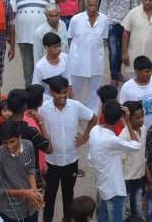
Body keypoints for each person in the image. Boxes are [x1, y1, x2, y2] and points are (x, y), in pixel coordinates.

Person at [38, 75, 97, 222]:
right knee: (49, 198)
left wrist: (85, 137)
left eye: (65, 92)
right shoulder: (43, 109)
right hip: (51, 163)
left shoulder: (75, 106)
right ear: (51, 92)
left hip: (71, 161)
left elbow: (93, 117)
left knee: (68, 197)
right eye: (59, 93)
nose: (63, 96)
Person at [88, 100, 141, 222]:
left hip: (102, 186)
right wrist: (128, 122)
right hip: (115, 191)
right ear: (119, 119)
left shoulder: (94, 131)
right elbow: (136, 145)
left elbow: (90, 159)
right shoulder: (111, 140)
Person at [0, 120, 43, 222]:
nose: (9, 146)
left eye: (12, 141)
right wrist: (24, 193)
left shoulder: (29, 146)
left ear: (20, 137)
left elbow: (30, 169)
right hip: (10, 212)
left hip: (31, 209)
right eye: (5, 143)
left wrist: (34, 192)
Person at [11, 0, 54, 86]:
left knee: (44, 63)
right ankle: (29, 89)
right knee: (28, 65)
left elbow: (53, 13)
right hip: (24, 37)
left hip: (44, 37)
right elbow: (11, 16)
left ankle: (45, 89)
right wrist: (11, 37)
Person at [68, 0, 110, 113]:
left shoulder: (104, 19)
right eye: (90, 5)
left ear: (99, 4)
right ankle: (75, 111)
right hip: (78, 62)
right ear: (86, 4)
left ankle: (92, 114)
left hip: (96, 61)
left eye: (95, 5)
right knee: (76, 90)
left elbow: (104, 38)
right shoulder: (76, 19)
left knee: (95, 90)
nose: (92, 7)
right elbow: (70, 38)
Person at [99, 0, 139, 84]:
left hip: (127, 25)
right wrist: (103, 27)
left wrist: (134, 23)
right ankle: (114, 77)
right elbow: (102, 9)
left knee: (123, 51)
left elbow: (134, 6)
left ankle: (118, 73)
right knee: (113, 51)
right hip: (112, 24)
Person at [118, 55, 152, 129]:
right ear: (137, 71)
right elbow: (123, 110)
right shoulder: (127, 87)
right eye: (146, 72)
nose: (150, 74)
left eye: (151, 70)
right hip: (138, 129)